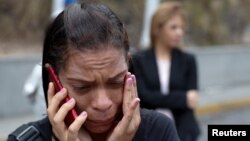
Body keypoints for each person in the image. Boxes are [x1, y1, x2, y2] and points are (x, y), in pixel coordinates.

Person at [8, 1, 180, 141]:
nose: (102, 103)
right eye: (83, 87)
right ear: (54, 80)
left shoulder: (159, 131)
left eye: (115, 82)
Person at [131, 2, 200, 141]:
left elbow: (192, 100)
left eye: (181, 28)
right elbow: (143, 97)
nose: (179, 32)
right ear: (158, 29)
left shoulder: (188, 60)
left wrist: (157, 98)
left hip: (183, 132)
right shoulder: (139, 60)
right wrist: (182, 98)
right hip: (148, 132)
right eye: (173, 27)